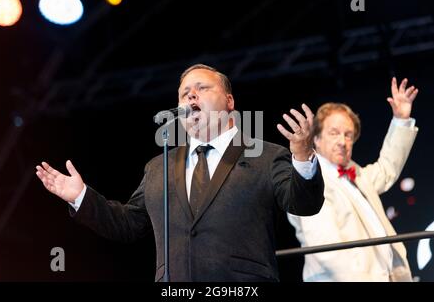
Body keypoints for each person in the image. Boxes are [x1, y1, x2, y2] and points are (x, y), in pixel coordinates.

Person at [36, 64, 324, 282]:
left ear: (229, 101)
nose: (191, 95)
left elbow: (303, 204)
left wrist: (301, 155)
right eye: (184, 93)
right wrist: (81, 197)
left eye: (202, 88)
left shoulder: (264, 155)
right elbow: (128, 225)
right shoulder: (158, 166)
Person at [287, 77, 419, 282]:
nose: (342, 141)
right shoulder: (308, 180)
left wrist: (401, 120)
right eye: (334, 133)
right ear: (317, 139)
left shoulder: (356, 175)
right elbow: (326, 249)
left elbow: (387, 169)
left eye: (348, 135)